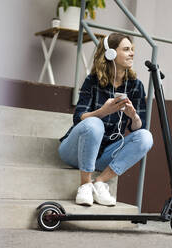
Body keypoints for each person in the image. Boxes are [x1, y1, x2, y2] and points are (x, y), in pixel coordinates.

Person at [58, 33, 153, 207]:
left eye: (132, 49)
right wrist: (103, 111)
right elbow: (79, 118)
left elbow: (139, 127)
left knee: (146, 137)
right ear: (110, 54)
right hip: (74, 151)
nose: (132, 53)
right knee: (94, 123)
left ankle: (100, 182)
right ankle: (85, 185)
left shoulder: (135, 85)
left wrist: (133, 116)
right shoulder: (92, 81)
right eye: (126, 49)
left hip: (104, 155)